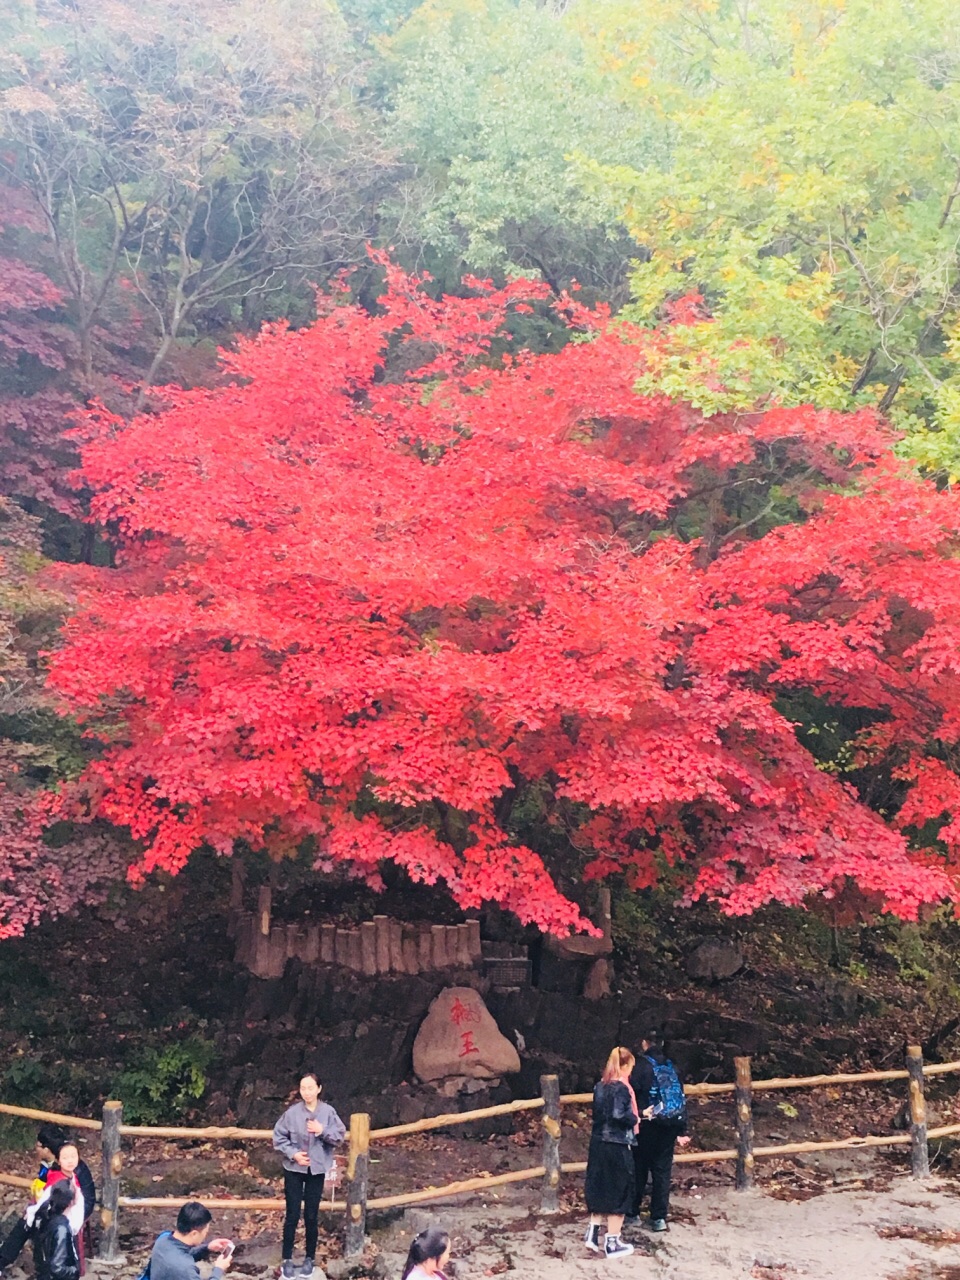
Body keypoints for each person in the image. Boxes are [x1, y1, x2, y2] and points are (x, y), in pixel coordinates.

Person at [273, 1072, 346, 1279]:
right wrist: (293, 1154)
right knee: (292, 1214)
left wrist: (322, 1130)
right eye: (303, 1088)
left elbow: (339, 1136)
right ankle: (287, 1258)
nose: (306, 1092)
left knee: (312, 1215)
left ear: (319, 1089)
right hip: (294, 1169)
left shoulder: (328, 1112)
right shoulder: (292, 1113)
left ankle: (309, 1258)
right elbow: (279, 1137)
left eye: (310, 1088)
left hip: (317, 1169)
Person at [629, 1030, 690, 1232]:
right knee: (662, 1171)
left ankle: (633, 1212)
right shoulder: (672, 1066)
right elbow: (680, 1097)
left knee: (640, 1167)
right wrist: (682, 1128)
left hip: (648, 1123)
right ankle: (658, 1217)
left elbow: (632, 1092)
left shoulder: (640, 1065)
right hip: (670, 1124)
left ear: (645, 1043)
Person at [583, 1046, 638, 1260]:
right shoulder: (621, 1088)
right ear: (624, 1066)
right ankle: (613, 1241)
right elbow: (619, 1115)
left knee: (599, 1185)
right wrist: (634, 1117)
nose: (630, 1072)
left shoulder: (599, 1086)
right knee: (620, 1189)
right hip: (617, 1143)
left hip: (598, 1142)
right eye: (630, 1067)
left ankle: (593, 1232)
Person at [148, 1201, 232, 1280]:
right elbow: (181, 1263)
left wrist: (207, 1248)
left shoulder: (163, 1240)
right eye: (205, 1232)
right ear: (194, 1234)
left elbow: (181, 1255)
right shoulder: (186, 1271)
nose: (205, 1235)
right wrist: (218, 1269)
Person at [32, 1180, 80, 1280]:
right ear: (71, 1202)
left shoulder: (46, 1216)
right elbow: (57, 1268)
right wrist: (75, 1271)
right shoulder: (61, 1229)